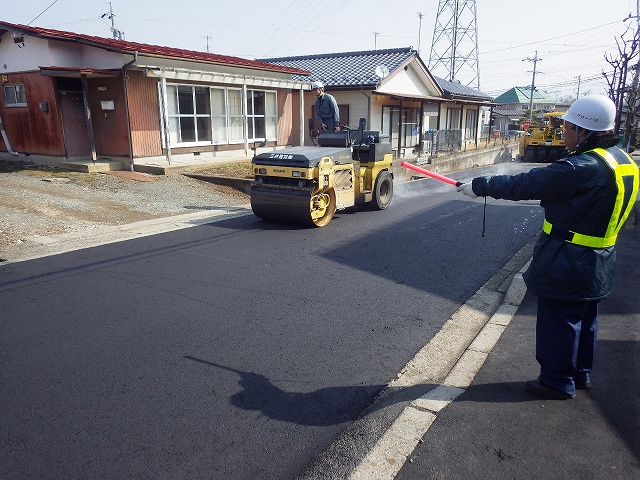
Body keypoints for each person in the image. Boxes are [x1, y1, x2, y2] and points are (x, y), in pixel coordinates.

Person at [457, 94, 639, 399]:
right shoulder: (622, 160)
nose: (563, 132)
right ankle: (580, 375)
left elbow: (526, 184)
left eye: (567, 126)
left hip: (570, 259)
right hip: (601, 258)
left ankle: (557, 381)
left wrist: (480, 186)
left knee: (561, 322)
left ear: (583, 131)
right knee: (586, 319)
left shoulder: (579, 167)